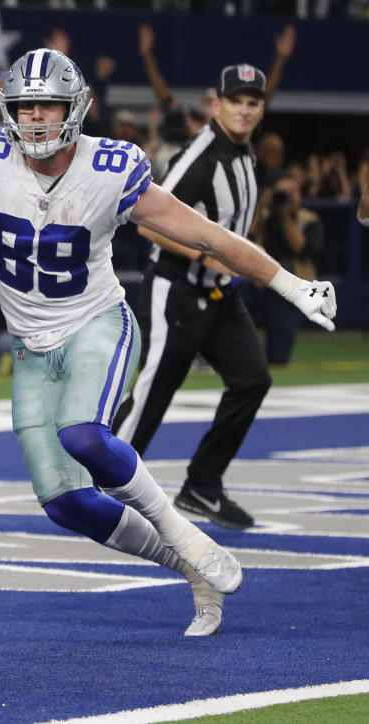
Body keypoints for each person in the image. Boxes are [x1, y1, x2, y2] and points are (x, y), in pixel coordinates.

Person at [0, 49, 336, 638]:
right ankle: (188, 563)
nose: (36, 118)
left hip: (97, 325)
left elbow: (208, 237)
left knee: (83, 434)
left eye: (49, 105)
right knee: (66, 505)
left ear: (77, 108)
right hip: (31, 352)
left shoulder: (110, 169)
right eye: (26, 106)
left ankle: (183, 527)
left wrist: (291, 285)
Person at [113, 64, 276, 532]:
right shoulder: (201, 156)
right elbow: (147, 223)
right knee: (153, 393)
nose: (244, 110)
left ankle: (203, 485)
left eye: (252, 103)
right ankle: (101, 485)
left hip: (222, 296)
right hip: (178, 290)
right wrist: (210, 254)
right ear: (216, 105)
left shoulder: (244, 156)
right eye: (236, 102)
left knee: (253, 379)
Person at [252, 173, 324, 365]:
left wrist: (285, 216)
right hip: (261, 286)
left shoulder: (309, 220)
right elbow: (248, 234)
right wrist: (261, 204)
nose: (285, 198)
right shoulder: (265, 217)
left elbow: (299, 247)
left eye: (290, 193)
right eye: (281, 193)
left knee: (279, 352)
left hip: (291, 290)